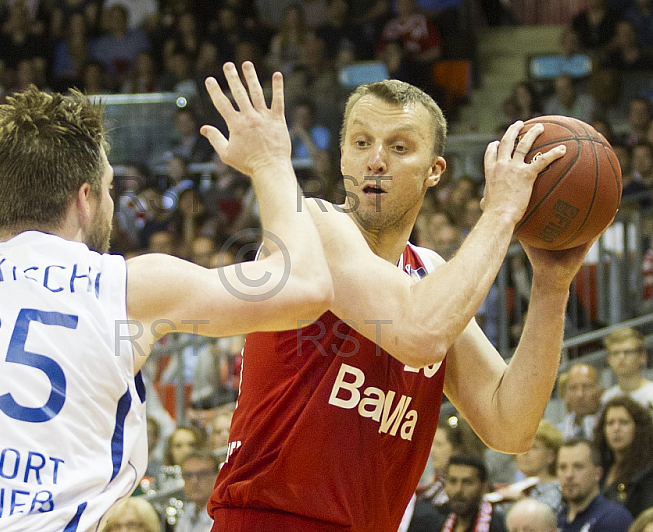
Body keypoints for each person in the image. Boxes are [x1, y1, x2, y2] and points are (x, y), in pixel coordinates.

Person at [0, 62, 333, 530]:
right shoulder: (124, 286)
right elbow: (306, 287)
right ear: (84, 198)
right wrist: (270, 162)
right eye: (108, 188)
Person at [210, 71, 603, 531]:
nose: (376, 160)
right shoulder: (311, 228)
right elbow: (419, 334)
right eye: (361, 142)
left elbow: (509, 425)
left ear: (435, 170)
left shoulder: (431, 274)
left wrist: (552, 286)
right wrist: (501, 212)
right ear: (341, 157)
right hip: (273, 520)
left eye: (399, 147)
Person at [556, 438, 634, 532]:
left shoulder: (615, 519)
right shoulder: (557, 520)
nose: (569, 475)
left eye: (578, 466)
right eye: (562, 467)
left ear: (597, 474)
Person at [593, 396, 653, 517]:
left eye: (623, 422)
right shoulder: (601, 467)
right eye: (610, 423)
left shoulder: (648, 472)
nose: (616, 428)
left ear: (638, 428)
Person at [442, 454, 507, 532]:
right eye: (453, 481)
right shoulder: (437, 523)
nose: (458, 490)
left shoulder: (500, 526)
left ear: (484, 488)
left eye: (467, 482)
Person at [602, 327, 653, 411]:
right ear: (609, 359)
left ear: (643, 357)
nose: (621, 357)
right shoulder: (607, 399)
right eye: (615, 353)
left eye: (628, 352)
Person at [175, 452, 219, 532]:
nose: (194, 481)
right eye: (188, 475)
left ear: (217, 476)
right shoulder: (186, 514)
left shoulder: (223, 515)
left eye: (202, 474)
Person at [558, 363, 603, 440]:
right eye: (573, 388)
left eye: (586, 387)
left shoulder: (614, 426)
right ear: (565, 395)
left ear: (600, 392)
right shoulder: (558, 434)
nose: (580, 395)